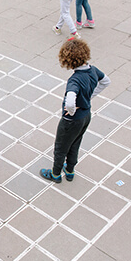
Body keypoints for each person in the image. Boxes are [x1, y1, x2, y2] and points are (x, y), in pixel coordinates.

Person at [40, 38, 110, 183]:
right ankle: (70, 170)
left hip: (71, 120)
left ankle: (55, 174)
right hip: (86, 116)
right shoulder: (93, 70)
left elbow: (70, 101)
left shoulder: (75, 80)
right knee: (75, 143)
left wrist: (70, 111)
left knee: (61, 147)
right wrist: (89, 96)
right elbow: (106, 81)